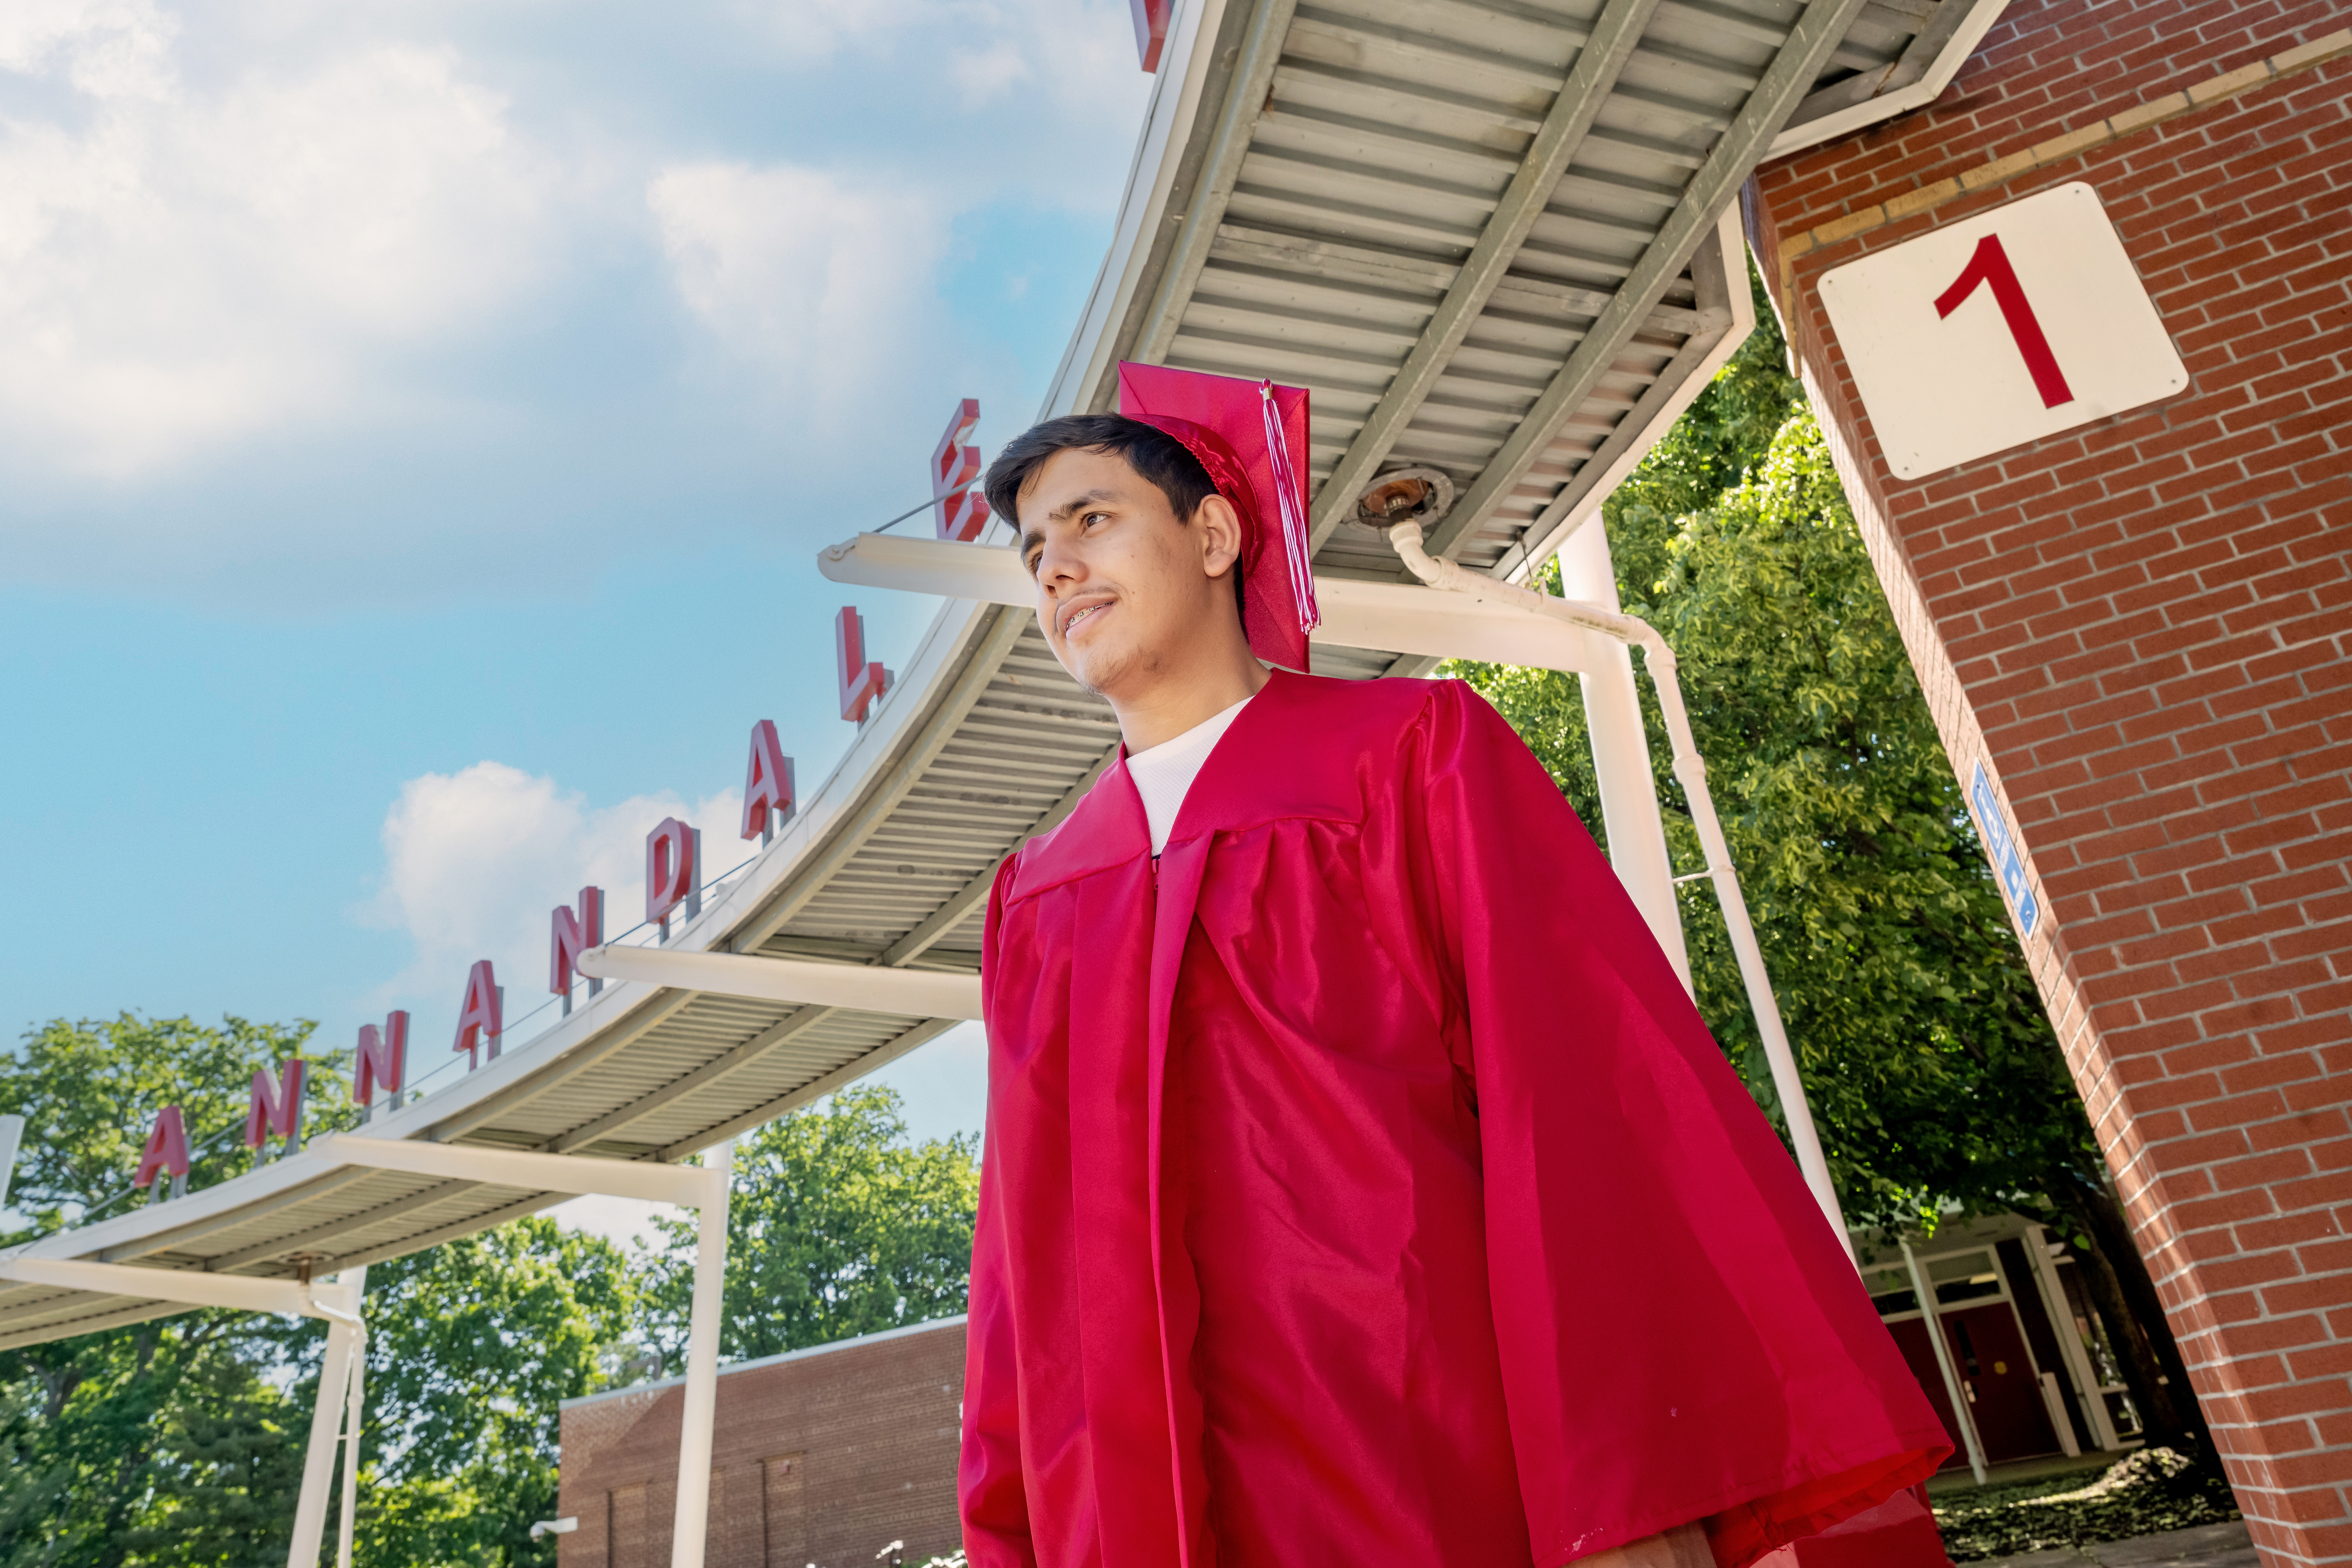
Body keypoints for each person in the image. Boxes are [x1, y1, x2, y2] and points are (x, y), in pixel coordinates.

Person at [959, 361, 1949, 1568]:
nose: (1054, 568)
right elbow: (1019, 1270)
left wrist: (1623, 1486)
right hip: (1141, 1507)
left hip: (1429, 1458)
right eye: (1031, 552)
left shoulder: (1409, 759)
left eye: (1091, 520)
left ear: (1214, 533)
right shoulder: (1039, 896)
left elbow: (1583, 1103)